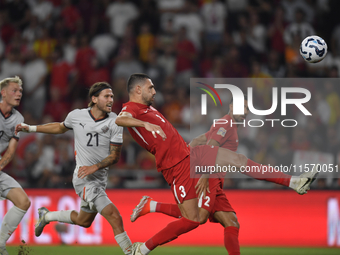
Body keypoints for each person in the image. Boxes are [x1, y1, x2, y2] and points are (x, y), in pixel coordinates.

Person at [115, 73, 318, 255]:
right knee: (195, 217)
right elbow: (120, 120)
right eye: (150, 87)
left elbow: (199, 140)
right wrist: (145, 124)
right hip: (179, 166)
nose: (154, 91)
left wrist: (191, 149)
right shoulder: (132, 109)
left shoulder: (149, 109)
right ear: (138, 89)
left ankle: (294, 182)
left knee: (229, 221)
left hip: (191, 159)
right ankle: (142, 247)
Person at [15, 82, 133, 255]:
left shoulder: (115, 121)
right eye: (107, 96)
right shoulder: (77, 116)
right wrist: (31, 128)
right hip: (83, 178)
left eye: (112, 96)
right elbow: (59, 127)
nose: (111, 100)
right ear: (94, 99)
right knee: (114, 216)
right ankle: (133, 253)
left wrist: (95, 167)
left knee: (83, 221)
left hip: (98, 179)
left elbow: (115, 156)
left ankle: (46, 216)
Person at [0, 76, 31, 255]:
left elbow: (11, 152)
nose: (19, 93)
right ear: (3, 93)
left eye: (20, 91)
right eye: (14, 90)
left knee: (23, 201)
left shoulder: (18, 118)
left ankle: (0, 244)